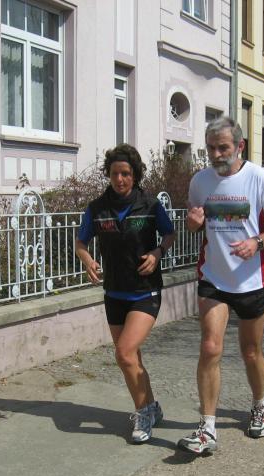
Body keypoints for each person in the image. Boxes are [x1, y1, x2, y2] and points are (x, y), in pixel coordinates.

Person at [178, 117, 264, 455]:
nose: (216, 154)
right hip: (214, 278)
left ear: (240, 146)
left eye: (223, 147)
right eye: (211, 148)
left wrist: (257, 242)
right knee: (210, 347)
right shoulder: (200, 181)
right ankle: (207, 427)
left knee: (250, 351)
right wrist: (193, 223)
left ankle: (260, 406)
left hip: (252, 279)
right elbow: (196, 225)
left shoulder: (258, 178)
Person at [75, 143, 176, 444]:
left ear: (135, 175)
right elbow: (80, 243)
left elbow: (170, 233)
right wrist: (87, 260)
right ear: (108, 174)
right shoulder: (97, 208)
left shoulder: (150, 205)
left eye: (126, 174)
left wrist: (158, 252)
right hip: (114, 293)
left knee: (124, 353)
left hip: (145, 291)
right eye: (115, 174)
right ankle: (152, 407)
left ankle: (142, 413)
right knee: (132, 357)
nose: (120, 179)